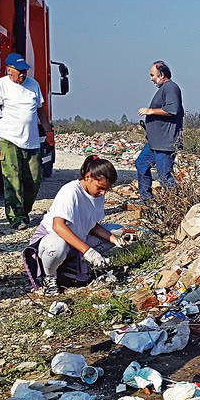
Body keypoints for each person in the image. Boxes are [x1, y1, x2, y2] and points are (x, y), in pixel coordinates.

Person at [28, 155, 124, 295]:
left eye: (106, 190)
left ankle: (69, 266)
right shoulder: (71, 191)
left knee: (117, 231)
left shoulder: (97, 195)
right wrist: (88, 251)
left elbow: (92, 224)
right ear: (88, 177)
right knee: (57, 247)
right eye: (100, 187)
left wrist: (114, 239)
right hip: (52, 238)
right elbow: (58, 226)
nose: (103, 193)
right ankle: (50, 277)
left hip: (76, 238)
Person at [0, 53, 54, 230]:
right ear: (8, 69)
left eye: (25, 71)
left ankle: (24, 211)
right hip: (9, 139)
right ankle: (16, 217)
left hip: (32, 140)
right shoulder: (1, 85)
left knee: (34, 179)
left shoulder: (33, 85)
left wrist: (48, 130)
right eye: (19, 71)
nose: (23, 75)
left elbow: (41, 110)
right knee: (13, 180)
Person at [135, 61, 183, 201]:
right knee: (141, 164)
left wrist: (149, 111)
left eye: (152, 75)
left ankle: (179, 202)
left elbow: (172, 110)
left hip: (165, 143)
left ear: (161, 74)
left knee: (164, 175)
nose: (151, 79)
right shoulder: (165, 89)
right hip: (155, 142)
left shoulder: (171, 88)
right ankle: (146, 199)